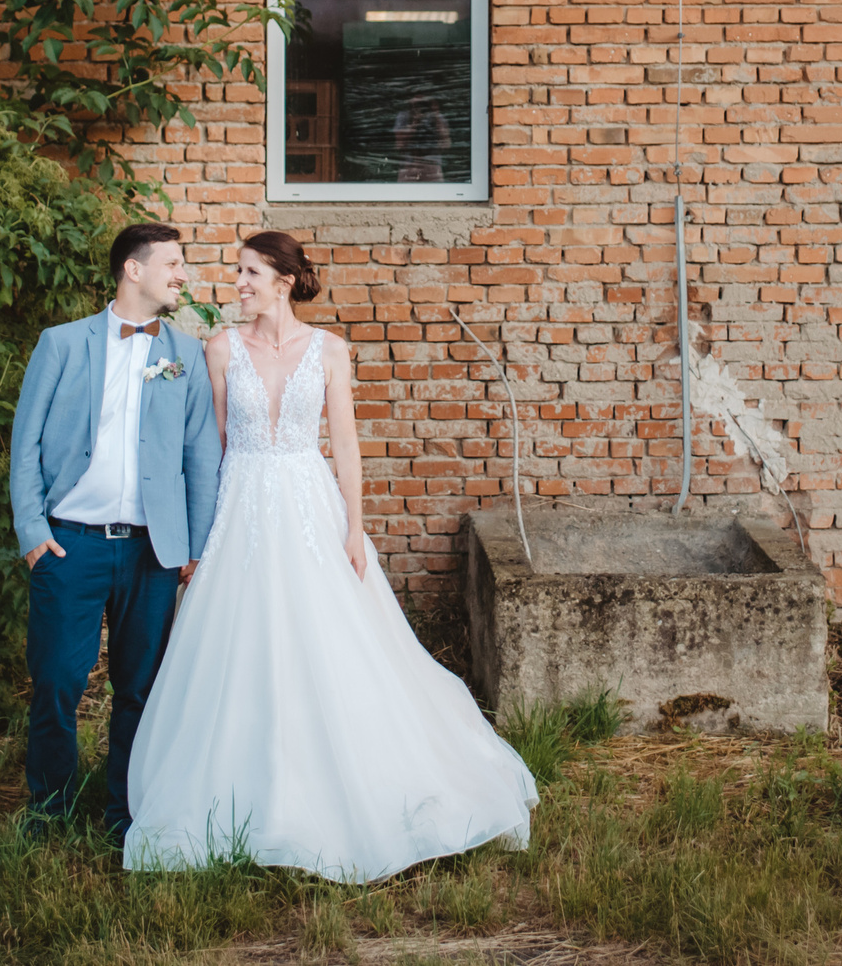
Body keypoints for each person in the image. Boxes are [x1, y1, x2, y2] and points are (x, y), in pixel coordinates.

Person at [121, 230, 538, 882]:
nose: (239, 283)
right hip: (242, 506)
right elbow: (213, 448)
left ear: (284, 281)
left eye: (250, 272)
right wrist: (203, 536)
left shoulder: (330, 350)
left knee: (334, 639)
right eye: (238, 272)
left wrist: (354, 529)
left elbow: (345, 444)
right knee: (241, 642)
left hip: (310, 505)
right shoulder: (220, 348)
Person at [8, 221, 221, 839]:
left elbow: (201, 456)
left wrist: (194, 548)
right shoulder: (61, 344)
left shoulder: (185, 355)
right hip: (68, 544)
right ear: (134, 269)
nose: (182, 275)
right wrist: (32, 532)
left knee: (140, 689)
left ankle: (124, 816)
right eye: (172, 264)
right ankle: (49, 811)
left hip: (153, 552)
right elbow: (25, 445)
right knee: (57, 681)